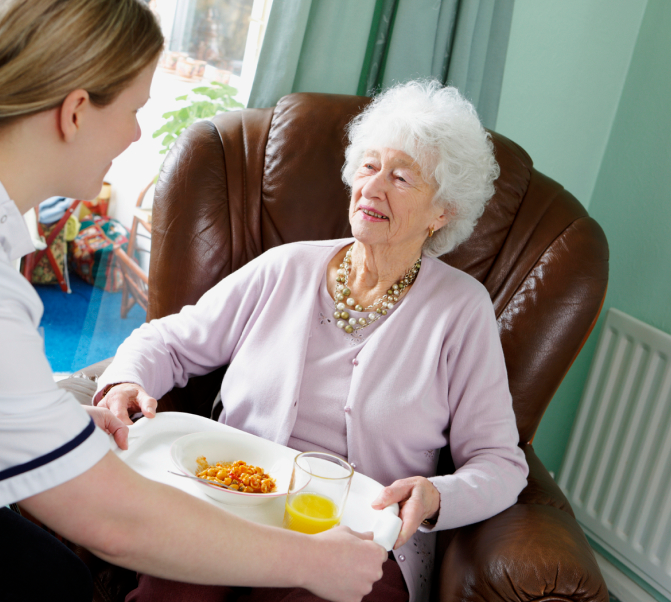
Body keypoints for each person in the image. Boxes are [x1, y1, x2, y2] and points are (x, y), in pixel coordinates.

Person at [0, 1, 388, 601]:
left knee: (58, 582)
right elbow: (110, 521)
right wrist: (311, 562)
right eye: (133, 110)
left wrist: (48, 421)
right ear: (75, 111)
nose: (135, 133)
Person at [94, 79, 530, 602]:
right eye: (368, 167)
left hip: (352, 533)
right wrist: (126, 380)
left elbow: (500, 463)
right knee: (173, 591)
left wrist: (438, 494)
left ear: (442, 212)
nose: (373, 187)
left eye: (402, 177)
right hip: (230, 497)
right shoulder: (286, 266)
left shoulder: (461, 310)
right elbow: (171, 340)